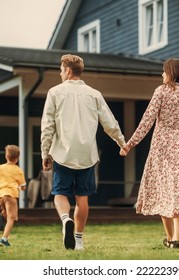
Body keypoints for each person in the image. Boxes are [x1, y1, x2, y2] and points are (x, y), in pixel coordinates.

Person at [41, 54, 127, 250]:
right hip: (87, 155)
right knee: (82, 198)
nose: (60, 73)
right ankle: (78, 240)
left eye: (61, 69)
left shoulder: (54, 92)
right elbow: (110, 123)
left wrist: (45, 153)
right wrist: (122, 142)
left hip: (63, 153)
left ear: (68, 71)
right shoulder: (94, 94)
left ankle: (65, 220)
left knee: (60, 194)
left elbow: (47, 126)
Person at [120, 58, 179, 249]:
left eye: (164, 71)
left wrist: (129, 144)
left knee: (163, 194)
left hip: (162, 151)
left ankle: (170, 237)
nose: (162, 75)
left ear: (171, 73)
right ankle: (175, 238)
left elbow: (146, 121)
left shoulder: (161, 91)